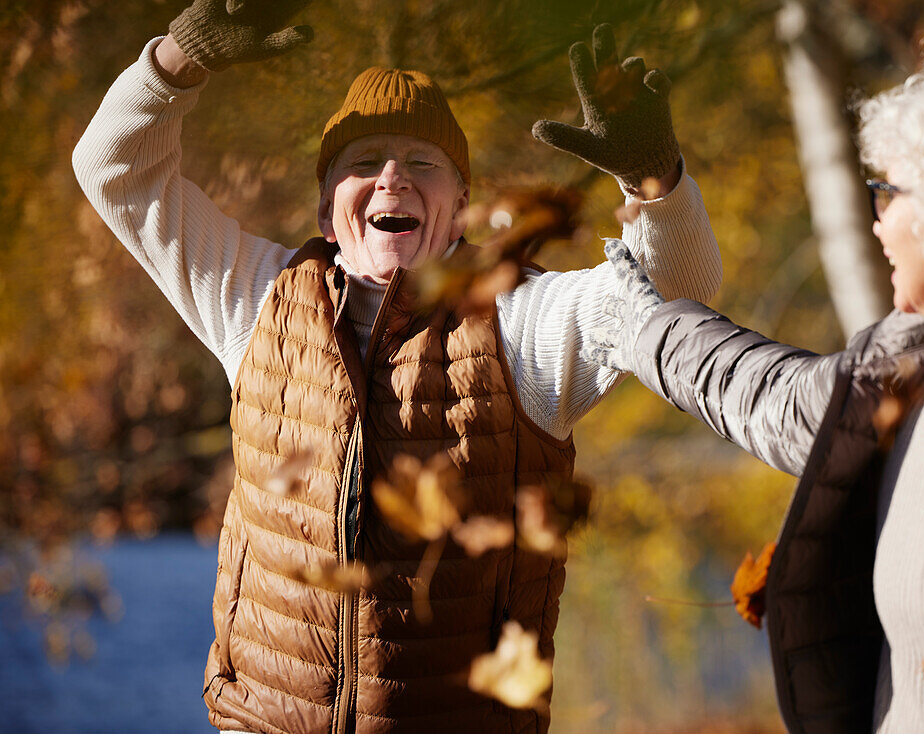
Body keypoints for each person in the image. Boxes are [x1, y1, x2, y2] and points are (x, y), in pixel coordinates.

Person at [71, 1, 721, 732]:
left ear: (462, 205)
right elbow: (112, 170)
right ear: (326, 209)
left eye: (421, 163)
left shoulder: (521, 317)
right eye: (362, 163)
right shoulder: (256, 297)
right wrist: (178, 61)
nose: (391, 179)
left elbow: (677, 300)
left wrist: (655, 184)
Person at [589, 38, 924, 732]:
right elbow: (759, 391)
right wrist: (644, 320)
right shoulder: (904, 380)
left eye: (889, 193)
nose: (876, 219)